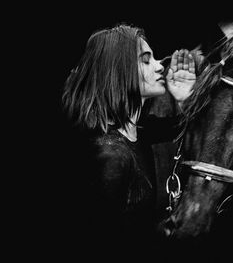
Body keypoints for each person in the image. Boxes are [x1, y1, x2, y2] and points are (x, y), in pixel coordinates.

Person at [61, 23, 196, 245]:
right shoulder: (111, 158)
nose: (160, 66)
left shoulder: (139, 133)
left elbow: (183, 126)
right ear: (119, 69)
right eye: (146, 60)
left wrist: (184, 99)